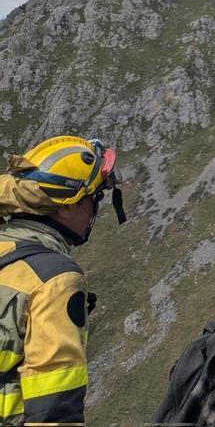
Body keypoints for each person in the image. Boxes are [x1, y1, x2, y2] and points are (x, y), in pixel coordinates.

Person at [0, 135, 126, 425]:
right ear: (66, 207)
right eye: (93, 198)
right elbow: (53, 409)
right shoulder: (54, 280)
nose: (94, 210)